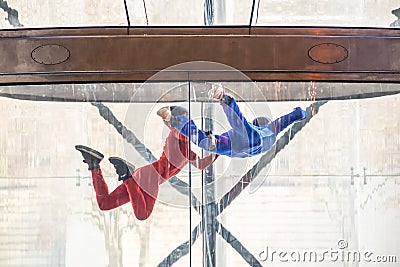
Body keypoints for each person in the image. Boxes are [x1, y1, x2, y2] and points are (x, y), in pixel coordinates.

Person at [75, 106, 218, 221]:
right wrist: (200, 135)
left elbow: (201, 165)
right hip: (151, 177)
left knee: (105, 204)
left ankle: (94, 164)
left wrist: (218, 149)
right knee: (142, 214)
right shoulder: (176, 135)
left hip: (144, 176)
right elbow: (179, 132)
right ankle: (126, 174)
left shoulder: (187, 151)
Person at [163, 84, 307, 158]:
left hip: (251, 141)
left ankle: (222, 98)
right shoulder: (267, 135)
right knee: (205, 143)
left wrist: (300, 113)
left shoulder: (268, 130)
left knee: (240, 125)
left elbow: (284, 121)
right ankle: (174, 120)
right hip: (233, 148)